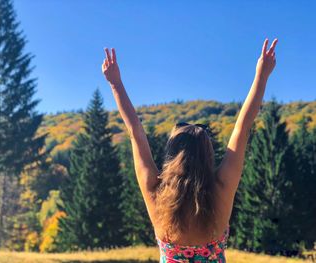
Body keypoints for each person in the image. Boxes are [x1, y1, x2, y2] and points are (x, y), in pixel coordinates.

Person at [102, 38, 278, 262]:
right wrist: (262, 76)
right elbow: (242, 129)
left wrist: (115, 84)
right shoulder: (221, 190)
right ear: (207, 154)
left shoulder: (155, 192)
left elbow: (135, 131)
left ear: (172, 154)